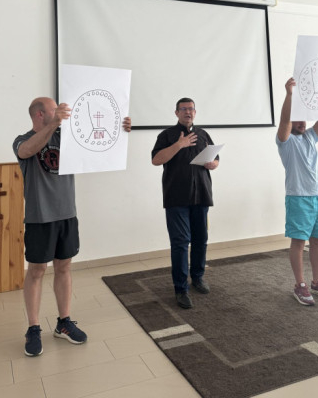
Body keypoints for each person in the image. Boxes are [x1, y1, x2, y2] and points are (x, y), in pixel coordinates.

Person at [13, 97, 131, 356]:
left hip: (67, 214)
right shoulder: (22, 140)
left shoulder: (68, 137)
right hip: (39, 217)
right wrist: (54, 124)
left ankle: (64, 323)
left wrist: (120, 130)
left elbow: (100, 145)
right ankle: (33, 328)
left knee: (64, 267)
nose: (61, 113)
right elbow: (27, 151)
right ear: (40, 114)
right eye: (55, 110)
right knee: (36, 271)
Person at [276, 77, 318, 306]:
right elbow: (284, 120)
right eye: (297, 119)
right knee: (299, 243)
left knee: (317, 241)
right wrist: (289, 95)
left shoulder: (310, 137)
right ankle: (300, 285)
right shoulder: (285, 141)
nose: (302, 122)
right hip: (298, 199)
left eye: (303, 118)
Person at [151, 98, 219, 309]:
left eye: (191, 109)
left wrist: (213, 163)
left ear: (195, 112)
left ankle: (197, 277)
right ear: (176, 113)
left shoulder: (203, 134)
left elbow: (216, 159)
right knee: (180, 243)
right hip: (176, 197)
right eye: (184, 109)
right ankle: (181, 289)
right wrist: (179, 145)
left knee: (201, 239)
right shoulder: (167, 135)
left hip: (201, 195)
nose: (188, 112)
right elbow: (156, 160)